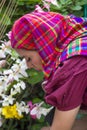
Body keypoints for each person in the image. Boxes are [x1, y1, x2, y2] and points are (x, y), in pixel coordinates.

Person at [10, 11, 87, 130]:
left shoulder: (74, 65)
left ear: (43, 46)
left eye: (28, 58)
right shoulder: (77, 34)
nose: (28, 65)